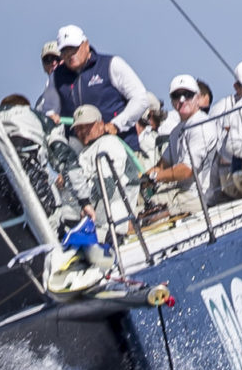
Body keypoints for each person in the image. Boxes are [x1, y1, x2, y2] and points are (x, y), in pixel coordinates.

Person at [38, 25, 160, 150]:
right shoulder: (56, 77)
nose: (70, 55)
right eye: (65, 51)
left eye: (74, 49)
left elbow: (140, 98)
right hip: (82, 155)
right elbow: (49, 111)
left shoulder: (111, 64)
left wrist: (116, 125)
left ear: (86, 44)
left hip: (122, 149)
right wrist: (52, 117)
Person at [59, 105, 146, 236]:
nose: (82, 131)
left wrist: (71, 187)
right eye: (78, 128)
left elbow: (106, 188)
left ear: (101, 124)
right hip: (94, 224)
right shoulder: (83, 152)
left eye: (87, 126)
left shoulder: (109, 143)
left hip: (112, 227)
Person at [149, 76, 226, 209]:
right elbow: (162, 165)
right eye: (176, 96)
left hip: (200, 198)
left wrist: (154, 177)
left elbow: (186, 170)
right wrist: (140, 180)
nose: (182, 100)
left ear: (197, 98)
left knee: (145, 217)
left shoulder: (201, 125)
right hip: (181, 194)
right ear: (172, 101)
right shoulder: (176, 131)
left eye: (188, 95)